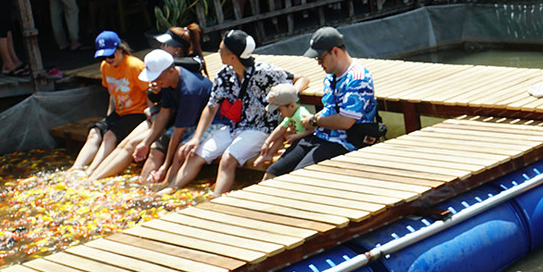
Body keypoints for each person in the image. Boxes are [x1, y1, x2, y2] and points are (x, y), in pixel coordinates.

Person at [170, 30, 294, 197]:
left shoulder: (266, 71)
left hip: (260, 128)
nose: (218, 52)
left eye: (221, 49)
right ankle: (168, 190)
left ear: (232, 57)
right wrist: (196, 138)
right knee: (194, 154)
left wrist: (287, 95)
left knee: (228, 160)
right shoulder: (224, 74)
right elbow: (211, 107)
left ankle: (216, 201)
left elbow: (299, 79)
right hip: (233, 127)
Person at [262, 27, 377, 177]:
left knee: (298, 176)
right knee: (273, 172)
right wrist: (307, 124)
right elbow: (330, 108)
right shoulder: (330, 76)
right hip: (320, 135)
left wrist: (314, 120)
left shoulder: (358, 78)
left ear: (335, 52)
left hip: (343, 141)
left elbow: (345, 121)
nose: (319, 63)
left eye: (320, 58)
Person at [89, 48, 211, 183]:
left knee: (171, 150)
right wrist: (146, 143)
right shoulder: (168, 80)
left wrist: (165, 166)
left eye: (157, 78)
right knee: (144, 145)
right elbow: (164, 113)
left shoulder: (189, 90)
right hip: (179, 119)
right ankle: (96, 178)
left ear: (170, 71)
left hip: (201, 122)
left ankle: (164, 185)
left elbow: (178, 131)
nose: (154, 83)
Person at [73, 31, 149, 174]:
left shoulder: (135, 66)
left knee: (109, 135)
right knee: (95, 132)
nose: (108, 59)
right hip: (120, 112)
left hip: (138, 113)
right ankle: (75, 168)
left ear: (120, 49)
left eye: (111, 55)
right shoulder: (105, 67)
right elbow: (112, 95)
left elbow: (149, 94)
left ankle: (91, 172)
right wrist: (108, 118)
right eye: (104, 56)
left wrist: (152, 118)